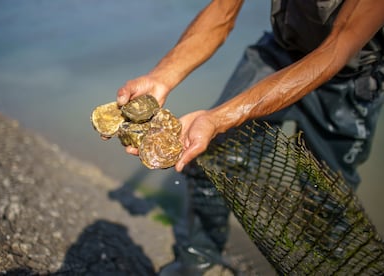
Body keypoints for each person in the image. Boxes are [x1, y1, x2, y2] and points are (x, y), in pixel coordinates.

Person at [114, 0, 384, 274]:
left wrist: (220, 117)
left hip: (349, 78)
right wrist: (163, 76)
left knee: (326, 198)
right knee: (210, 156)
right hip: (279, 53)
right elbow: (222, 11)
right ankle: (197, 262)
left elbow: (336, 48)